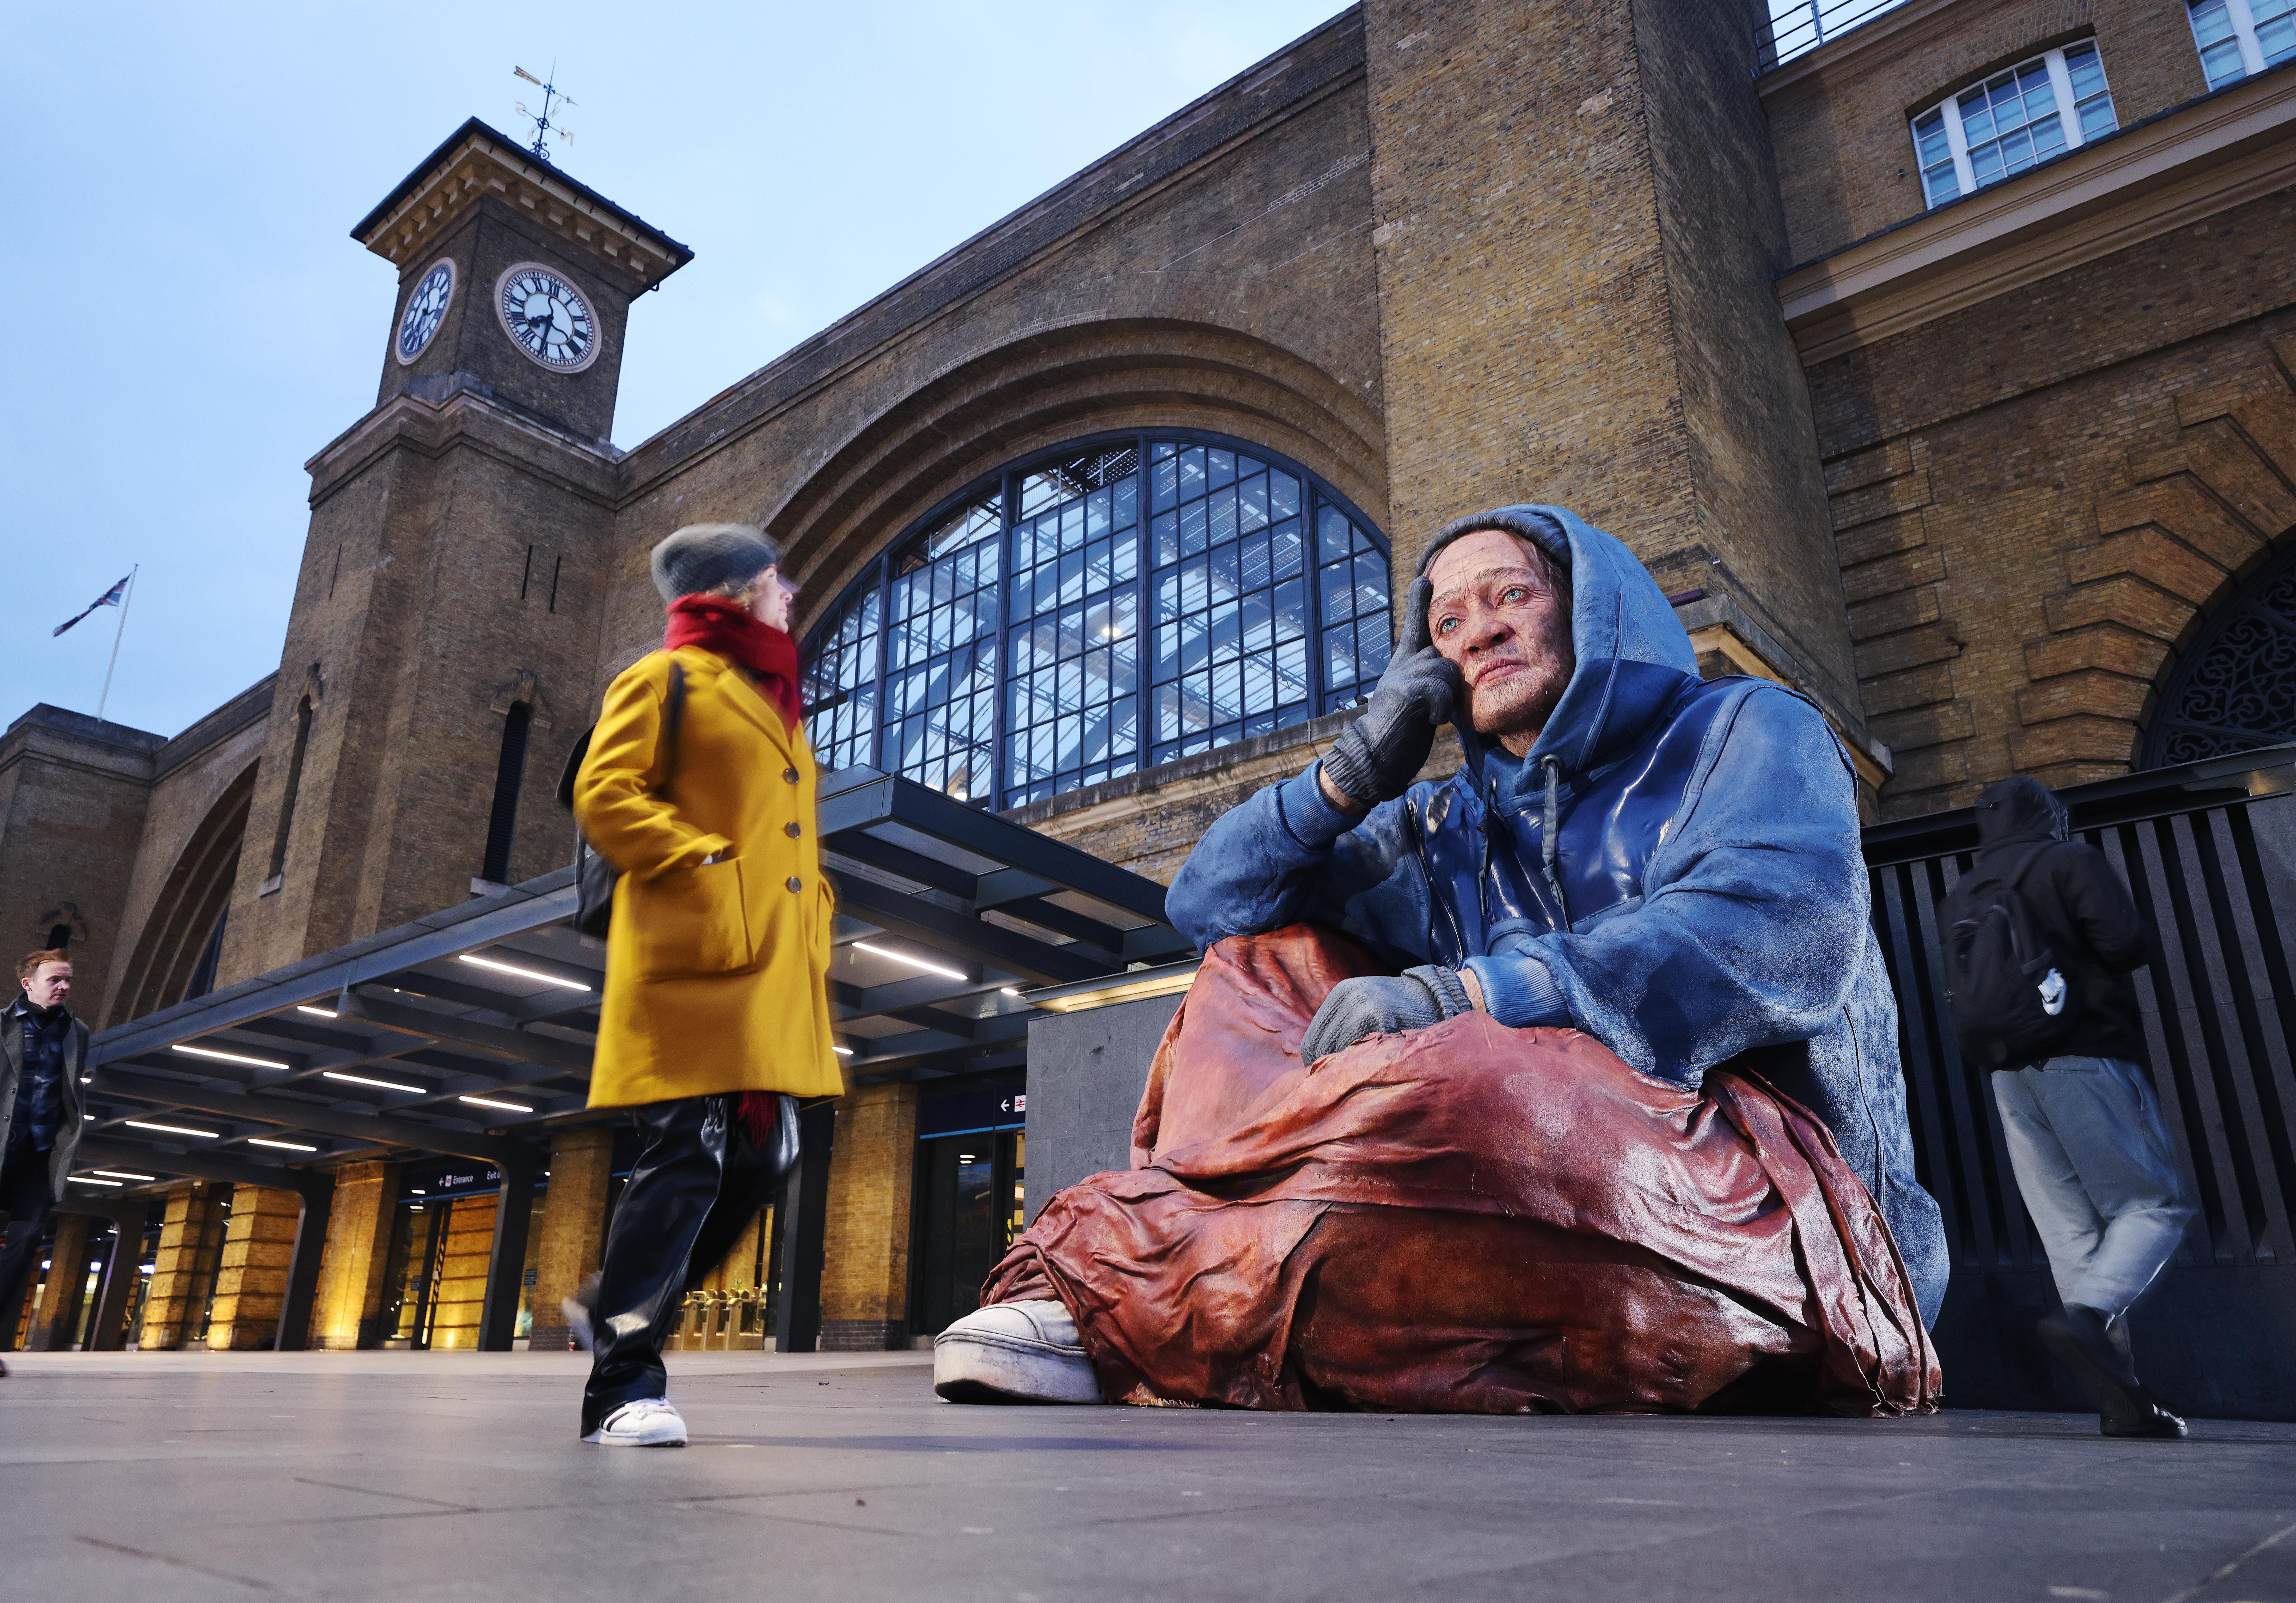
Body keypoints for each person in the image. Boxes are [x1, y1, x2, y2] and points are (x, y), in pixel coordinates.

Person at [933, 505, 1944, 1414]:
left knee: (1487, 1079)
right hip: (1497, 1174)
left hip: (1784, 1199)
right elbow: (1208, 904)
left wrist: (1465, 995)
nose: (1481, 630)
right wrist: (1352, 772)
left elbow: (1774, 935)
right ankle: (1222, 1244)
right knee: (1257, 966)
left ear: (1592, 609)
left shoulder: (1747, 727)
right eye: (1448, 623)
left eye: (1512, 595)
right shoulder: (1441, 822)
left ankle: (1111, 1286)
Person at [567, 523, 844, 1446]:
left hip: (766, 971)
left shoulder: (773, 702)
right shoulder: (663, 681)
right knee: (685, 1154)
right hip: (693, 953)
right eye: (780, 581)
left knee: (768, 1157)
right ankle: (622, 1385)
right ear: (737, 594)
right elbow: (606, 794)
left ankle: (615, 1306)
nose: (793, 595)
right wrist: (702, 862)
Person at [1943, 775, 2193, 1439]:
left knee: (2070, 1234)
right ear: (2047, 813)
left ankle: (2123, 1402)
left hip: (2007, 1076)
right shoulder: (2069, 861)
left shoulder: (1963, 890)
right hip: (2086, 1054)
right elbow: (2124, 945)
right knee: (2150, 1205)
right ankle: (2087, 1315)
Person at [1, 950, 87, 1373]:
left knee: (26, 1242)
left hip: (39, 1158)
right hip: (1, 1150)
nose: (64, 987)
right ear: (27, 984)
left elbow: (70, 1094)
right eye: (55, 979)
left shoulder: (77, 1032)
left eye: (68, 980)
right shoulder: (2, 1025)